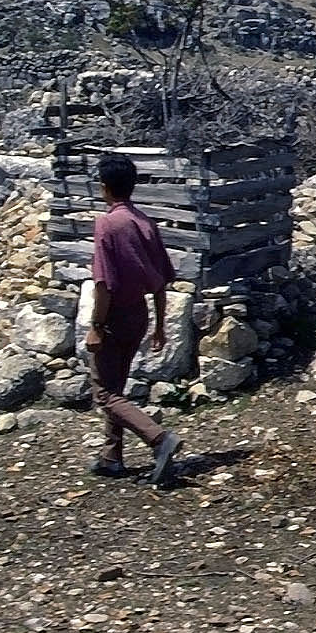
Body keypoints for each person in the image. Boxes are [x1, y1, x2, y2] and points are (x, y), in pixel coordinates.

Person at [87, 152, 182, 485]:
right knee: (116, 386)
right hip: (139, 314)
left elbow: (103, 283)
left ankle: (159, 438)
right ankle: (111, 456)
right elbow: (160, 280)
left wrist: (96, 326)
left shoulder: (107, 224)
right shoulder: (145, 223)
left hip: (114, 315)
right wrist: (158, 325)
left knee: (104, 394)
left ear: (105, 187)